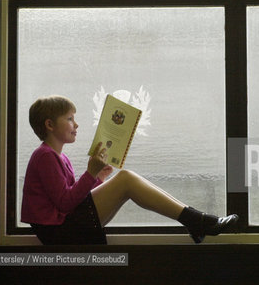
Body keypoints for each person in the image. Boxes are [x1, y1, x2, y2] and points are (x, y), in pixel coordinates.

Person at [21, 95, 238, 245]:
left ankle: (196, 221)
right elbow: (65, 203)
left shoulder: (57, 156)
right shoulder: (44, 156)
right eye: (69, 119)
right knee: (126, 180)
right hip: (60, 232)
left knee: (127, 181)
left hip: (63, 227)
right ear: (50, 125)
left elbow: (71, 198)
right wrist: (90, 174)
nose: (76, 124)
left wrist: (98, 177)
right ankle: (197, 221)